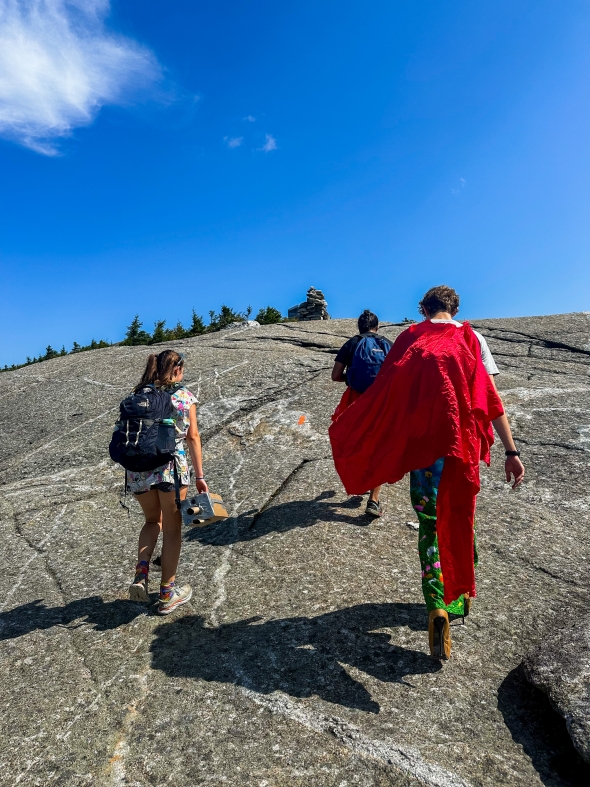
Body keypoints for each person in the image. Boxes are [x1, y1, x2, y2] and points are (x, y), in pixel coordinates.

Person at [329, 285, 524, 660]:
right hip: (462, 448)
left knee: (429, 524)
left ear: (424, 308)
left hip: (424, 452)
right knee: (461, 517)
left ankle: (436, 602)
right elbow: (491, 399)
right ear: (454, 308)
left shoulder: (409, 339)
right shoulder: (472, 338)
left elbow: (388, 396)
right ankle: (459, 598)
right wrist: (511, 451)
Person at [126, 350, 208, 615]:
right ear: (177, 369)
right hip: (169, 470)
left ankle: (141, 572)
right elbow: (193, 436)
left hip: (138, 471)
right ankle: (167, 595)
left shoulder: (139, 394)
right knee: (172, 530)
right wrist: (200, 476)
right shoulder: (183, 395)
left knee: (152, 521)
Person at [331, 310, 392, 517]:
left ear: (359, 327)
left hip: (355, 402)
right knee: (379, 448)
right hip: (381, 403)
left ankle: (359, 481)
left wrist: (352, 379)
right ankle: (374, 500)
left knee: (354, 444)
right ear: (377, 326)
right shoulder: (387, 344)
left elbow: (335, 376)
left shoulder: (352, 343)